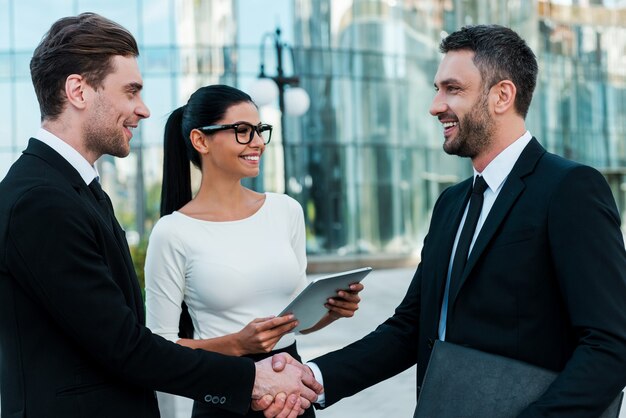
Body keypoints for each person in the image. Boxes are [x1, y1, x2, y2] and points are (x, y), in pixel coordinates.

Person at [263, 24, 626, 417]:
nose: (436, 106)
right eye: (437, 89)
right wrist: (313, 376)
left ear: (502, 95)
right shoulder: (450, 203)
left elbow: (610, 343)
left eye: (452, 89)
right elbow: (411, 327)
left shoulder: (569, 188)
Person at [0, 13, 321, 418]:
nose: (144, 110)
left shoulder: (71, 189)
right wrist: (251, 380)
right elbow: (127, 347)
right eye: (131, 92)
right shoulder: (41, 200)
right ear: (78, 91)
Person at [144, 84, 364, 418]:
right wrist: (237, 343)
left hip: (292, 395)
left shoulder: (285, 211)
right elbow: (159, 348)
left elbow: (296, 324)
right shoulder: (172, 232)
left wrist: (331, 310)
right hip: (223, 397)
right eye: (243, 132)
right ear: (201, 140)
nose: (258, 142)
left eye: (260, 130)